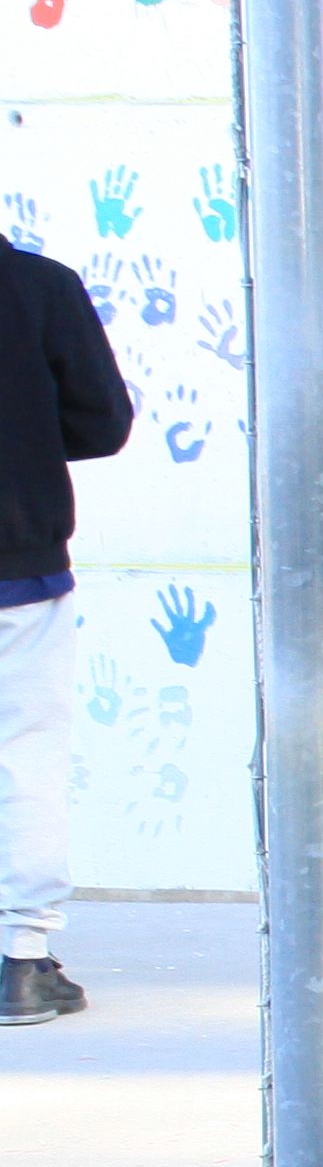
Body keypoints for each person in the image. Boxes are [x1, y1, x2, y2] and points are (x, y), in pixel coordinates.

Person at [0, 231, 128, 1025]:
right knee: (23, 761)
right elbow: (105, 424)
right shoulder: (40, 286)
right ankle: (20, 962)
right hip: (18, 570)